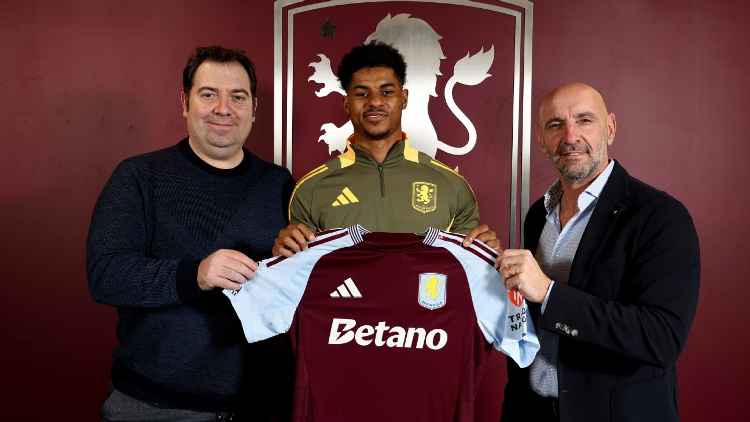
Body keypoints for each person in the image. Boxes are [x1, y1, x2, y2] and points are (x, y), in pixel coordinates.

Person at [87, 46, 294, 421]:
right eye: (209, 94)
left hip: (260, 402)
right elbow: (106, 276)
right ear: (185, 103)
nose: (223, 108)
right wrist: (194, 274)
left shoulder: (279, 183)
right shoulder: (139, 177)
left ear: (253, 108)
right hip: (157, 407)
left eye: (238, 96)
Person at [498, 82, 700, 422]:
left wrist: (548, 293)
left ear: (610, 128)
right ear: (541, 138)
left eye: (584, 120)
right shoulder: (538, 214)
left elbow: (661, 338)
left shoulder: (660, 216)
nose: (570, 136)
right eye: (555, 125)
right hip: (532, 411)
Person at [273, 41, 498, 257]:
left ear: (404, 98)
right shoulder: (311, 189)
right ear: (346, 103)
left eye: (387, 92)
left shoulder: (453, 186)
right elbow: (299, 276)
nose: (375, 102)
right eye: (362, 93)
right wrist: (284, 254)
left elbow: (467, 273)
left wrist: (486, 253)